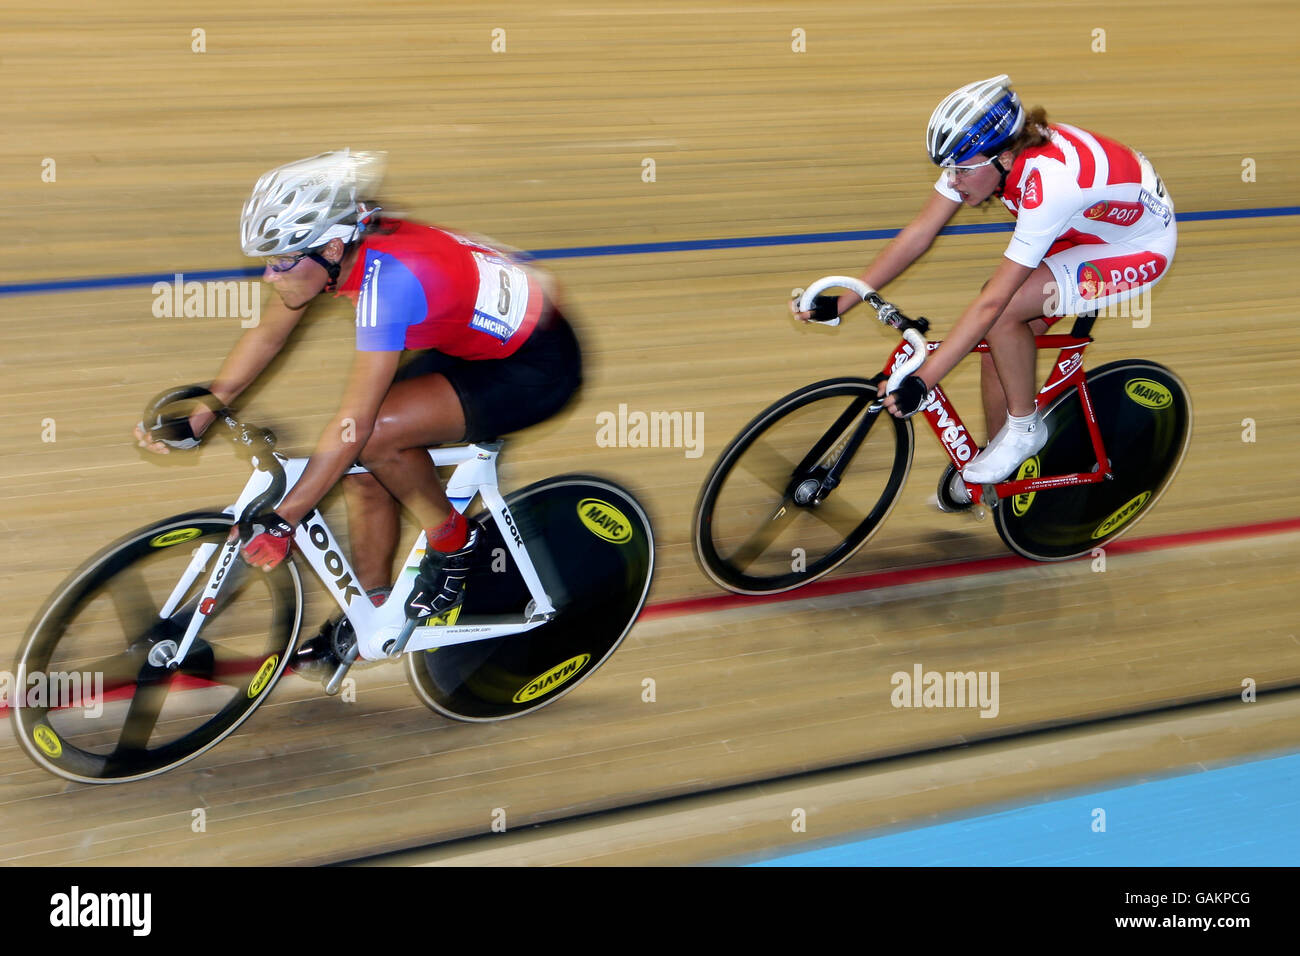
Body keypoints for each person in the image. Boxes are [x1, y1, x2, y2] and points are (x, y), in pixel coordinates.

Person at [135, 149, 582, 678]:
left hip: (536, 368)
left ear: (327, 247)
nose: (268, 276)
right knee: (365, 471)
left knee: (374, 438)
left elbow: (355, 423)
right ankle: (371, 615)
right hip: (475, 341)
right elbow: (268, 333)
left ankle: (456, 543)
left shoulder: (386, 283)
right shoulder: (333, 251)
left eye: (279, 261)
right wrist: (205, 411)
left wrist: (284, 519)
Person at [795, 75, 1176, 504]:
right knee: (1002, 338)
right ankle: (1000, 475)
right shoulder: (985, 156)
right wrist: (845, 300)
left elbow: (993, 303)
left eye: (960, 169)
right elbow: (920, 233)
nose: (952, 180)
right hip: (1084, 225)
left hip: (1134, 247)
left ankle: (1025, 429)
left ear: (1004, 156)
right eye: (948, 169)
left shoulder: (1049, 183)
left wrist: (923, 380)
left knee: (1001, 309)